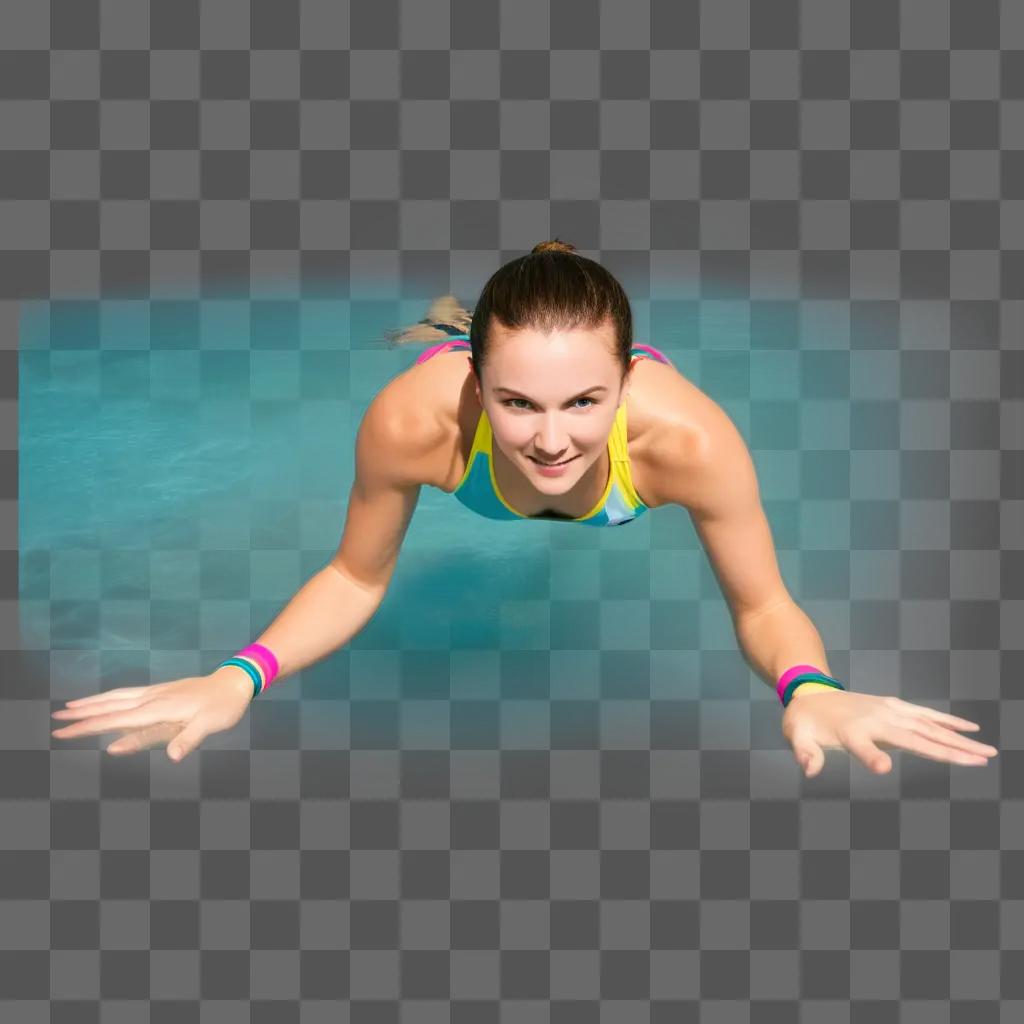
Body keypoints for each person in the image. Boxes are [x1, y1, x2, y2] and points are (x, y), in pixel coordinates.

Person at [50, 240, 998, 778]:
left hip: (589, 386)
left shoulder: (690, 445)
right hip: (457, 356)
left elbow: (760, 605)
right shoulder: (413, 424)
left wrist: (812, 689)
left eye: (585, 401)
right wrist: (236, 678)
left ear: (628, 380)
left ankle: (535, 288)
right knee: (449, 327)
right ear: (476, 386)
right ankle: (455, 318)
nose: (551, 442)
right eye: (517, 403)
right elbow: (353, 574)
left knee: (547, 356)